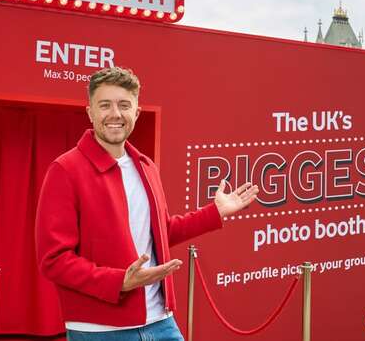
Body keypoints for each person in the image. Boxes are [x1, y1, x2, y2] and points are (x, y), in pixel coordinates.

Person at [35, 67, 259, 341]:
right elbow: (54, 261)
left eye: (124, 105)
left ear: (136, 113)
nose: (115, 114)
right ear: (90, 112)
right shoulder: (65, 170)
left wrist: (215, 213)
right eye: (105, 105)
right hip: (101, 332)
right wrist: (120, 281)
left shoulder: (146, 166)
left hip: (162, 322)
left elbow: (161, 232)